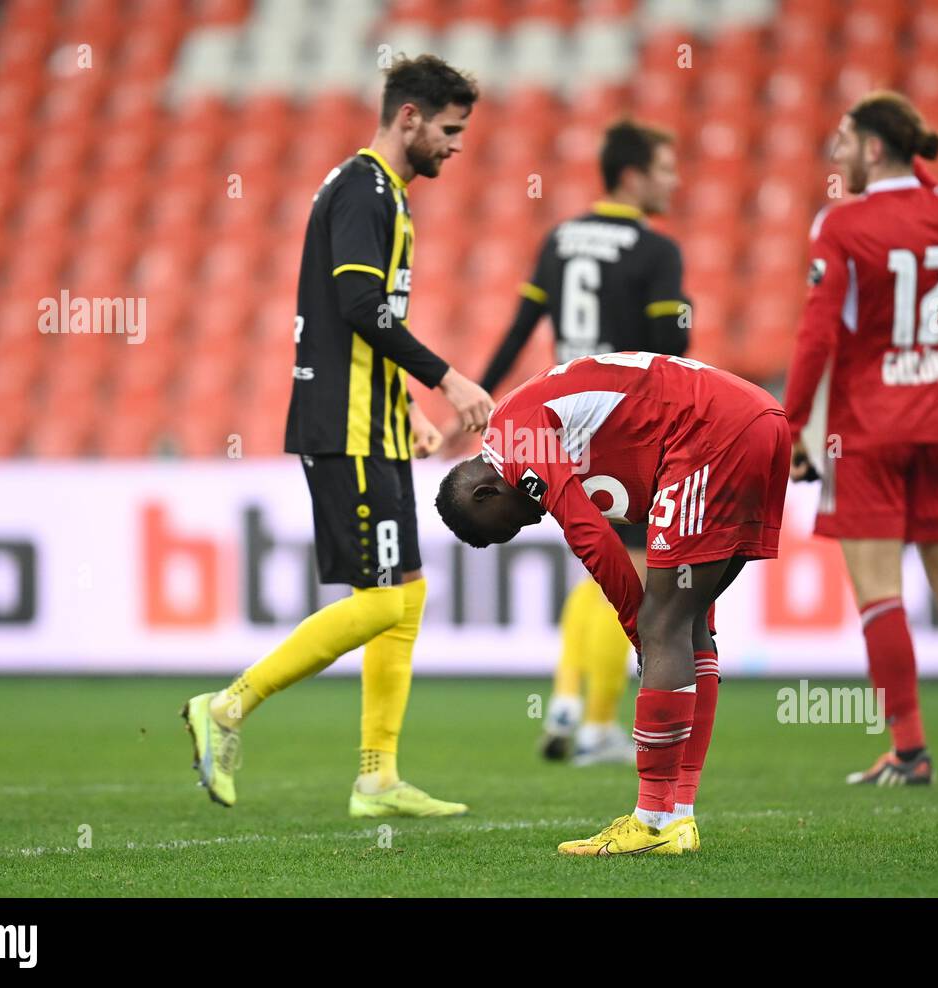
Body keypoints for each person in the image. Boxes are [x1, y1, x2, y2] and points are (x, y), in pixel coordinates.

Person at [182, 54, 494, 816]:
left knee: (405, 596)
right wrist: (445, 380)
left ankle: (377, 778)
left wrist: (410, 412)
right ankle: (224, 707)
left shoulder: (384, 193)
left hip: (377, 423)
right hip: (345, 427)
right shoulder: (362, 188)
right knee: (384, 603)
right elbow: (357, 303)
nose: (456, 146)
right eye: (449, 131)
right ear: (409, 117)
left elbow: (366, 320)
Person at [437, 351, 789, 853]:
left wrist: (636, 628)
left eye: (513, 522)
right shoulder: (532, 426)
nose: (532, 522)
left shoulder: (513, 438)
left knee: (662, 624)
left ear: (486, 493)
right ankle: (679, 819)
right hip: (756, 419)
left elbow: (590, 534)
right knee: (690, 623)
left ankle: (649, 821)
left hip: (714, 429)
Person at [784, 91, 938, 786]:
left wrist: (790, 423)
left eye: (845, 139)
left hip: (869, 431)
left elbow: (818, 333)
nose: (836, 153)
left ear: (874, 147)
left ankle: (910, 751)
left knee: (880, 594)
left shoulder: (842, 224)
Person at [477, 119, 691, 765]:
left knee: (598, 570)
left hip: (566, 419)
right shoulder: (655, 250)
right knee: (636, 573)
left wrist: (481, 397)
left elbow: (520, 327)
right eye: (664, 168)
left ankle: (569, 696)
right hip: (628, 422)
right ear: (632, 176)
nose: (674, 181)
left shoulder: (561, 238)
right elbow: (672, 348)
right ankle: (597, 727)